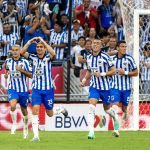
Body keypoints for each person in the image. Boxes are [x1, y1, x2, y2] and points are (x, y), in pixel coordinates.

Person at [21, 37, 68, 142]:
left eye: (41, 47)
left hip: (48, 90)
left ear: (44, 48)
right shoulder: (33, 57)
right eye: (37, 47)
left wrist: (43, 42)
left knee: (50, 114)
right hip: (36, 90)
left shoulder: (48, 57)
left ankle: (60, 109)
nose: (39, 49)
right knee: (35, 111)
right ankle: (36, 136)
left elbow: (54, 54)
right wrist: (29, 42)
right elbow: (22, 52)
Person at [81, 39, 119, 139]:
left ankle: (115, 117)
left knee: (107, 110)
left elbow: (114, 71)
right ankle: (91, 132)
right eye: (94, 43)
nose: (96, 45)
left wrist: (102, 74)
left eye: (98, 43)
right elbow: (89, 70)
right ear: (91, 45)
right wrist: (85, 79)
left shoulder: (105, 56)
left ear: (101, 46)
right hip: (94, 87)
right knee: (91, 107)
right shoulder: (88, 57)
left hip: (106, 88)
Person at [5, 44, 32, 139]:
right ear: (11, 51)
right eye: (13, 50)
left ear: (20, 51)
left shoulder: (25, 62)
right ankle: (14, 124)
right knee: (12, 105)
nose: (15, 52)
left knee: (24, 111)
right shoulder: (8, 61)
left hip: (23, 90)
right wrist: (6, 74)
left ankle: (25, 128)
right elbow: (6, 69)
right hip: (12, 88)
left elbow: (31, 75)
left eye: (17, 50)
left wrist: (21, 70)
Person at [110, 40, 138, 132]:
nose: (124, 48)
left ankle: (125, 112)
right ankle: (116, 128)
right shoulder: (112, 59)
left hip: (126, 88)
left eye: (125, 46)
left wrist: (125, 72)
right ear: (117, 48)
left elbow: (136, 72)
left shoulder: (129, 59)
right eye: (122, 46)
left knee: (124, 107)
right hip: (114, 87)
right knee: (114, 106)